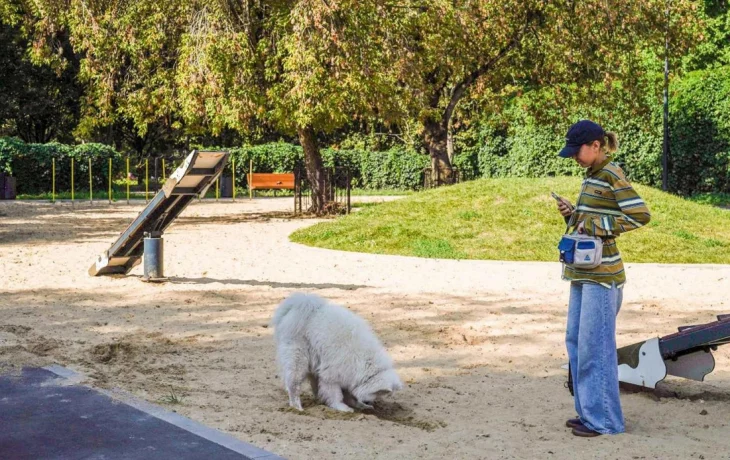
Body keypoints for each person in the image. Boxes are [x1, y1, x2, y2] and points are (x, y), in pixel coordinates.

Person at [555, 120, 651, 437]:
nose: (574, 157)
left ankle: (605, 421)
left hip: (603, 277)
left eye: (577, 151)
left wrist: (594, 223)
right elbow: (591, 223)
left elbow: (640, 214)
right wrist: (573, 214)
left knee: (596, 348)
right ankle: (588, 413)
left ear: (596, 145)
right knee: (577, 344)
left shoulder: (611, 174)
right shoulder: (592, 176)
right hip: (583, 274)